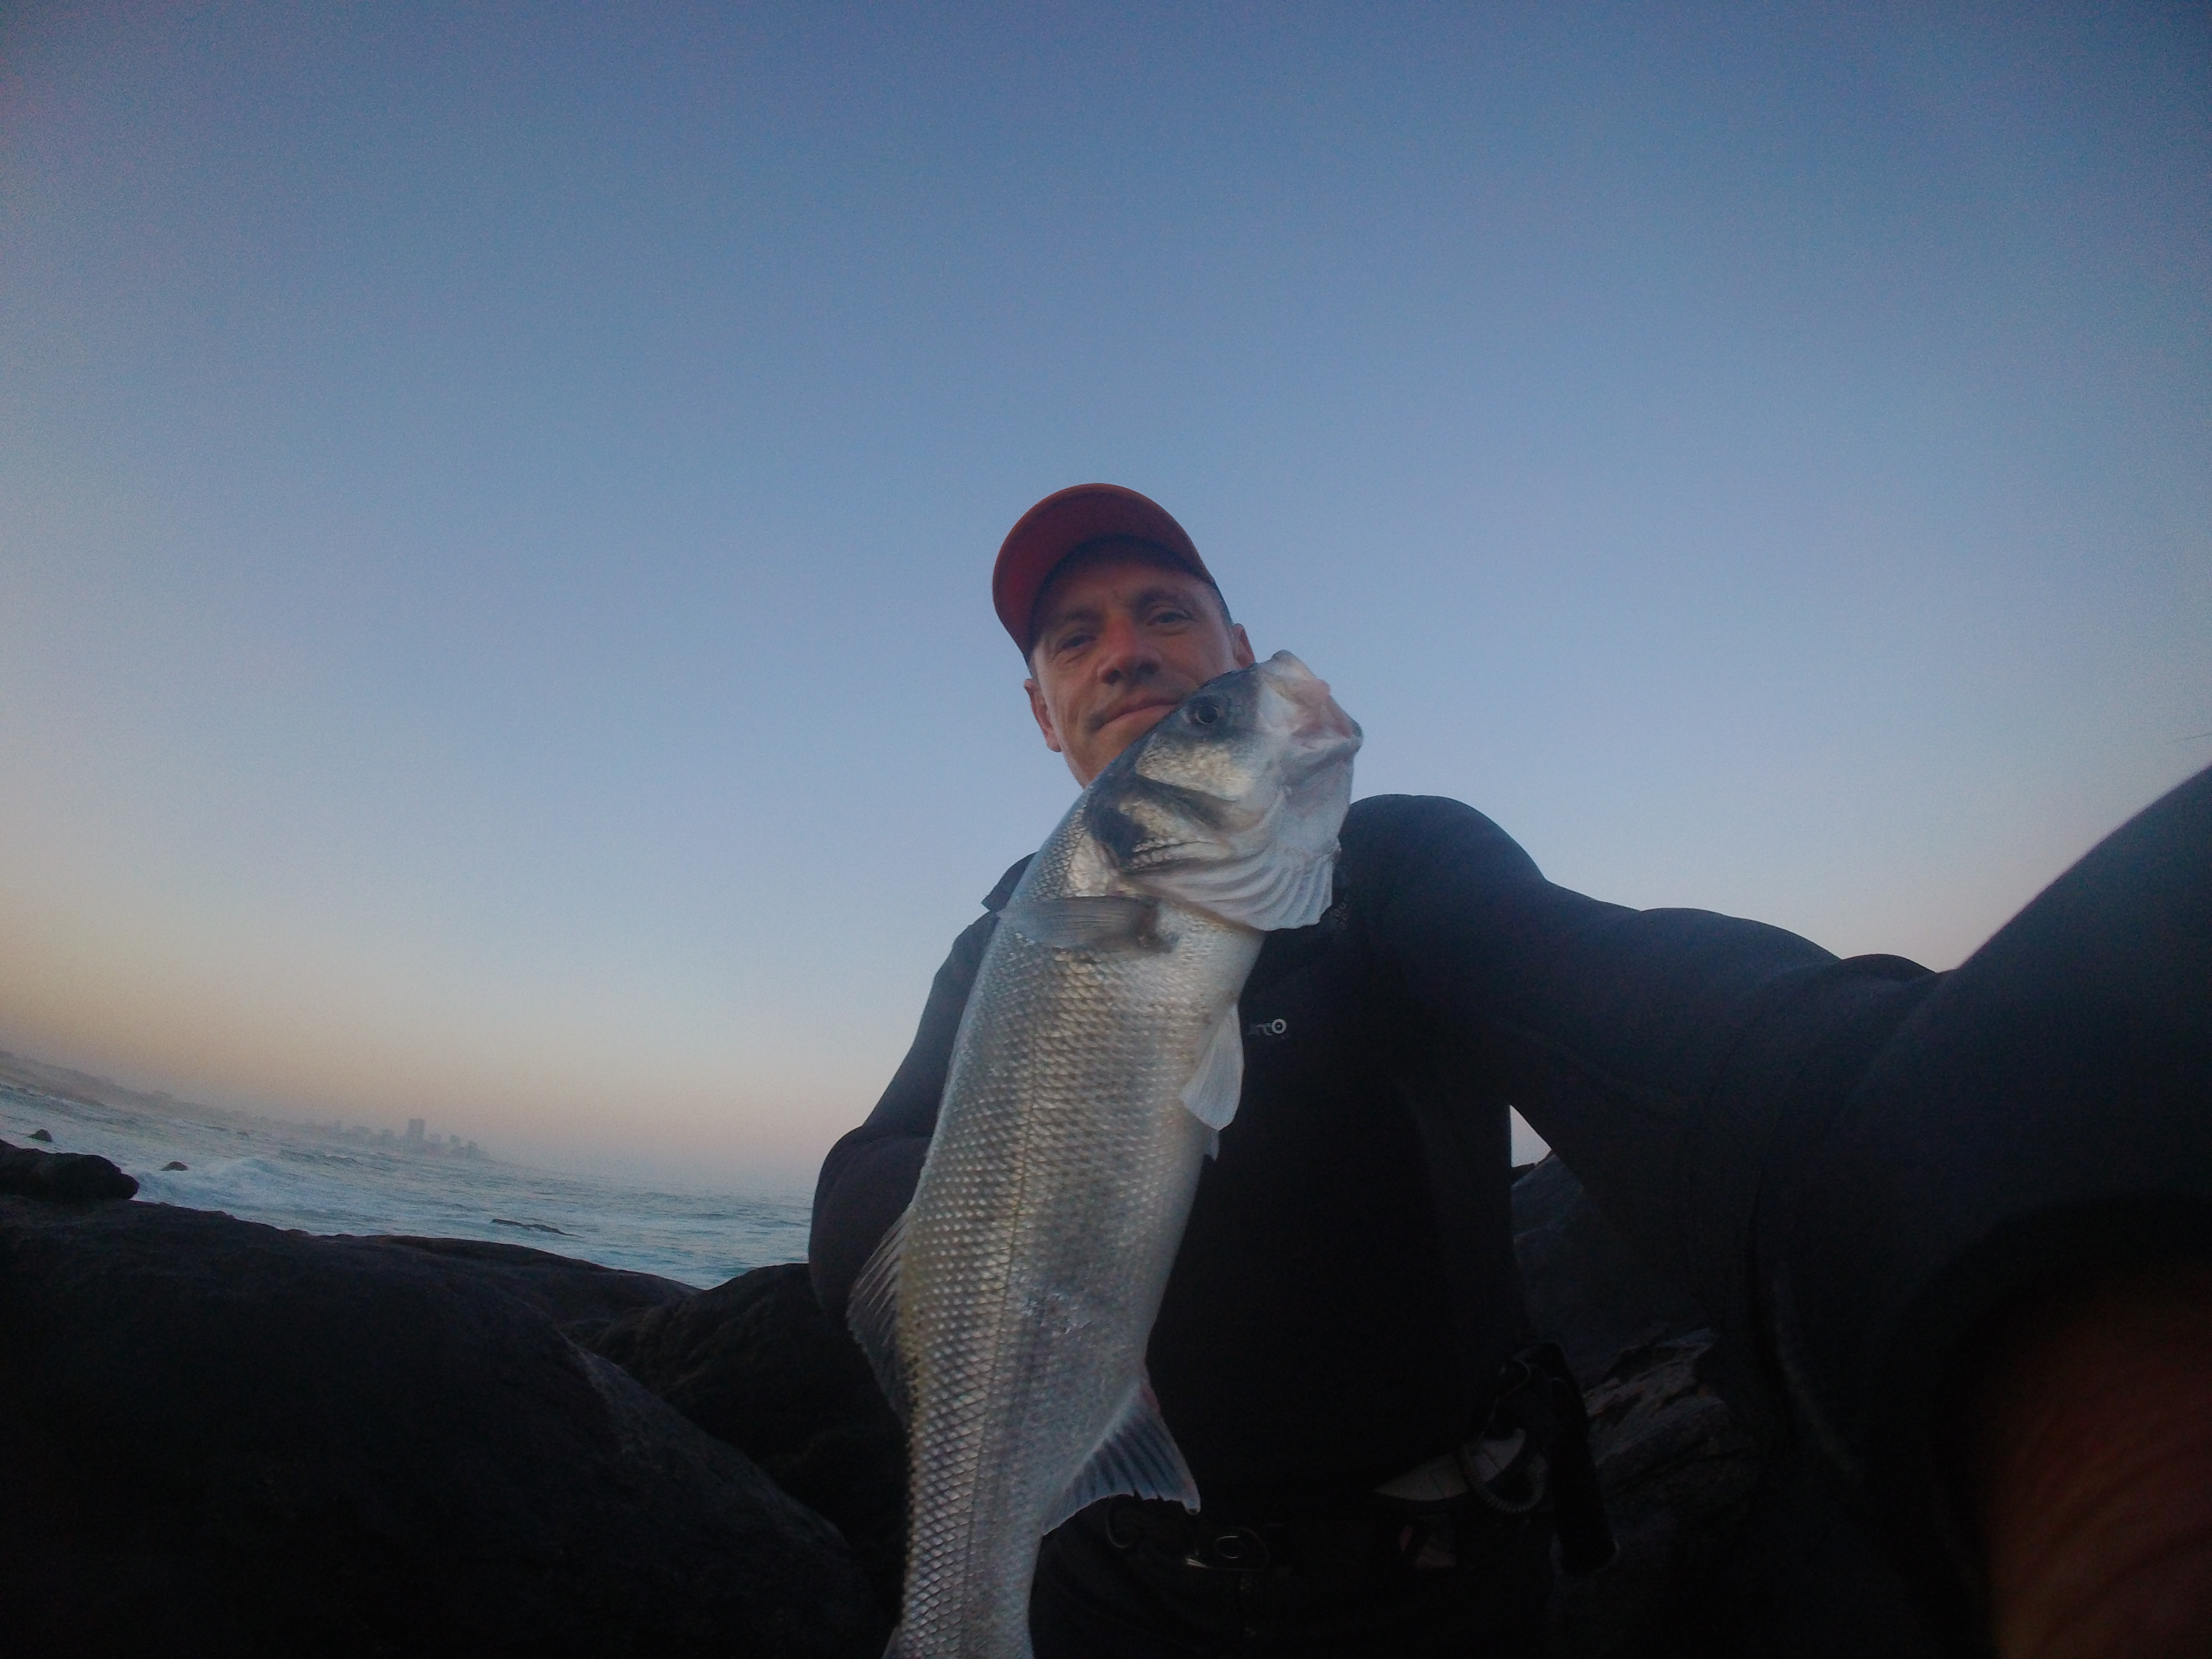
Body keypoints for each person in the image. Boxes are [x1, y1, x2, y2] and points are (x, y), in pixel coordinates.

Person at [811, 483, 2212, 1658]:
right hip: (1113, 1601)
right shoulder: (1012, 943)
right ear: (1042, 710)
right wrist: (995, 1269)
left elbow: (1641, 1013)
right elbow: (864, 1176)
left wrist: (1956, 1174)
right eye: (1076, 637)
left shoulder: (1399, 870)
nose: (1125, 652)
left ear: (1236, 646)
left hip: (1433, 1599)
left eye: (1167, 614)